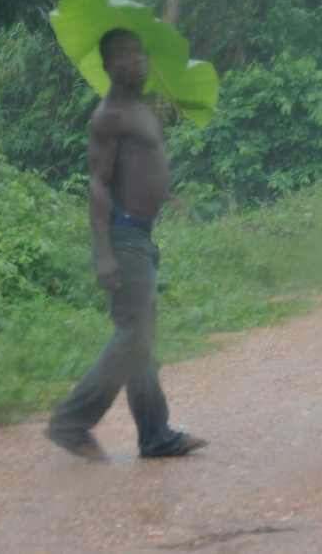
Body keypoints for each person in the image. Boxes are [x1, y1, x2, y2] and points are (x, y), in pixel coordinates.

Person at [46, 27, 207, 461]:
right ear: (107, 65)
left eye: (139, 52)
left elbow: (141, 169)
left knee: (141, 341)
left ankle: (155, 436)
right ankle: (71, 421)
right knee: (133, 336)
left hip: (142, 236)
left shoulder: (142, 109)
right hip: (123, 235)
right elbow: (99, 185)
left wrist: (169, 196)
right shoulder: (110, 115)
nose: (137, 60)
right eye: (125, 54)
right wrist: (104, 253)